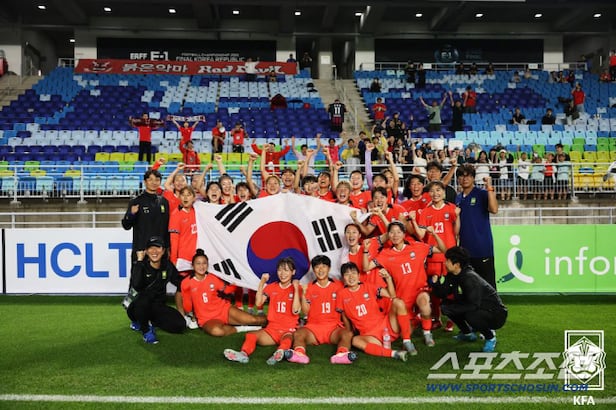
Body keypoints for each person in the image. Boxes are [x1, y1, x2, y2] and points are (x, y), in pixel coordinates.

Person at [364, 221, 447, 350]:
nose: (395, 235)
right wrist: (365, 251)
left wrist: (435, 234)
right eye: (392, 232)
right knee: (404, 331)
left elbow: (443, 250)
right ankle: (409, 336)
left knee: (424, 304)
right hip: (403, 297)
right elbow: (366, 267)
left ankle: (427, 333)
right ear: (388, 235)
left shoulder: (417, 247)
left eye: (398, 232)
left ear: (404, 234)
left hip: (420, 290)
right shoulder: (385, 254)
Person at [428, 246, 508, 353]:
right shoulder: (452, 274)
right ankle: (468, 334)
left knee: (471, 315)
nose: (445, 263)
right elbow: (442, 294)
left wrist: (454, 309)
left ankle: (490, 338)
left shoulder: (470, 278)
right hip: (477, 306)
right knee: (446, 305)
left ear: (456, 265)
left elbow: (474, 305)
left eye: (447, 261)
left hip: (495, 314)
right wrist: (436, 283)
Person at [223, 257, 301, 365]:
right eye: (280, 270)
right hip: (272, 329)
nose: (282, 273)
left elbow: (296, 311)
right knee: (251, 335)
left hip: (288, 329)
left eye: (286, 270)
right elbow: (258, 303)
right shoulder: (271, 287)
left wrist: (296, 289)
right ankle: (243, 354)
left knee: (287, 339)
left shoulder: (297, 288)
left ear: (293, 272)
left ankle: (279, 353)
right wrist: (262, 282)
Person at [285, 255, 356, 365]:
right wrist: (303, 294)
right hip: (313, 328)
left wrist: (349, 327)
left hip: (333, 328)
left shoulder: (339, 285)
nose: (320, 270)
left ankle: (341, 354)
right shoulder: (309, 287)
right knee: (298, 334)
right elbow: (306, 311)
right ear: (313, 270)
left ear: (329, 268)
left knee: (347, 334)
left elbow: (345, 307)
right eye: (317, 267)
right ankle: (299, 354)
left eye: (324, 266)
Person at [336, 261, 412, 362]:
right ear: (343, 279)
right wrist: (349, 332)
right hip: (370, 335)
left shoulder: (368, 286)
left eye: (353, 273)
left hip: (387, 326)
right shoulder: (341, 294)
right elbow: (344, 315)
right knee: (355, 340)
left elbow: (392, 296)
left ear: (359, 276)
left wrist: (388, 278)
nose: (351, 277)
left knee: (398, 302)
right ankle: (394, 354)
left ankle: (407, 341)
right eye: (347, 274)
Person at [181, 249, 267, 336]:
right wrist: (193, 316)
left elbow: (227, 290)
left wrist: (236, 282)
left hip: (223, 310)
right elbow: (187, 306)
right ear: (193, 265)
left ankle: (275, 322)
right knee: (217, 331)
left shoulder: (213, 278)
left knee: (254, 320)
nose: (201, 266)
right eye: (198, 263)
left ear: (207, 265)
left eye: (204, 263)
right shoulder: (186, 283)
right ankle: (244, 328)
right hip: (207, 318)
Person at [125, 236, 186, 344]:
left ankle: (150, 321)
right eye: (151, 248)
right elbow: (136, 285)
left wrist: (196, 278)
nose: (154, 251)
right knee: (144, 299)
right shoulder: (140, 265)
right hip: (137, 307)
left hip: (157, 306)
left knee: (180, 325)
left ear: (163, 251)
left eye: (158, 247)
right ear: (146, 251)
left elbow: (180, 282)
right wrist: (139, 261)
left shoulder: (167, 265)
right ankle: (146, 330)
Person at [455, 164, 499, 289]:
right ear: (458, 179)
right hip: (465, 250)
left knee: (488, 286)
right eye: (461, 176)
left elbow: (494, 209)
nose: (465, 179)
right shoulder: (458, 198)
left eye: (468, 176)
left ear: (473, 178)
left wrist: (489, 187)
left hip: (482, 248)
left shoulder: (482, 193)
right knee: (469, 287)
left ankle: (492, 304)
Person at [122, 168, 170, 263]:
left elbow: (167, 227)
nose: (154, 182)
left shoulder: (164, 202)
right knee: (138, 272)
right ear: (145, 182)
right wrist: (131, 214)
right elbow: (126, 225)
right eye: (150, 179)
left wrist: (168, 247)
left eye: (157, 180)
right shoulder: (136, 201)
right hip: (142, 251)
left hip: (160, 251)